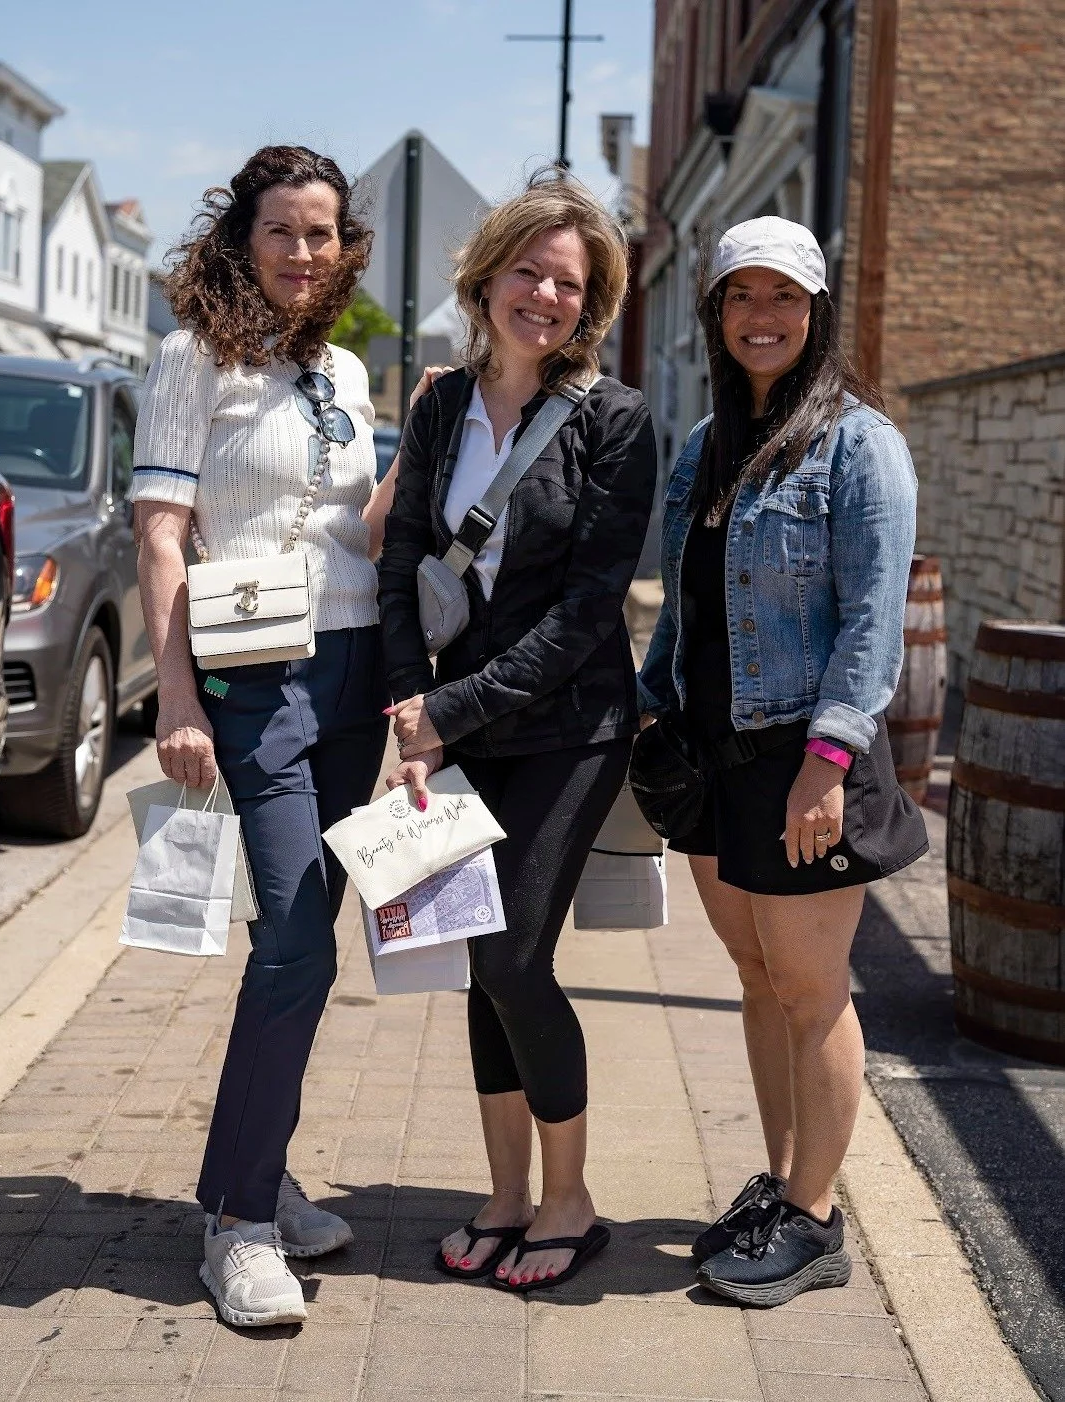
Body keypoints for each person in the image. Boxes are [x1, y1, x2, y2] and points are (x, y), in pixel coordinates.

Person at [132, 145, 441, 1328]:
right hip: (254, 677)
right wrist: (175, 697)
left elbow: (357, 532)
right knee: (298, 942)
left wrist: (418, 441)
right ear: (241, 238)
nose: (304, 252)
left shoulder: (344, 371)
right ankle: (239, 1221)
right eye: (281, 230)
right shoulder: (192, 358)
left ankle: (257, 1172)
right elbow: (162, 534)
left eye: (322, 233)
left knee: (303, 942)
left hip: (353, 672)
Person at [639, 216, 927, 1307]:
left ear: (816, 311)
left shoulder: (860, 445)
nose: (762, 315)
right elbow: (683, 609)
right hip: (713, 756)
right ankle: (781, 1182)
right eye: (741, 295)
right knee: (757, 978)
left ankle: (815, 1218)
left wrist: (828, 760)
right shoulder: (705, 446)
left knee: (810, 989)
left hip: (804, 759)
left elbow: (873, 623)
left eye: (785, 296)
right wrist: (646, 712)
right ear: (716, 311)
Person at [378, 172, 657, 1294]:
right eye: (528, 271)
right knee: (471, 963)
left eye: (569, 283)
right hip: (455, 733)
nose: (544, 295)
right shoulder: (440, 407)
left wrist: (444, 711)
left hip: (570, 730)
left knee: (512, 956)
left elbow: (589, 614)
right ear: (487, 278)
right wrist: (412, 707)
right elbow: (402, 564)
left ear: (592, 303)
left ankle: (570, 1199)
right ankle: (504, 1195)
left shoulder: (615, 420)